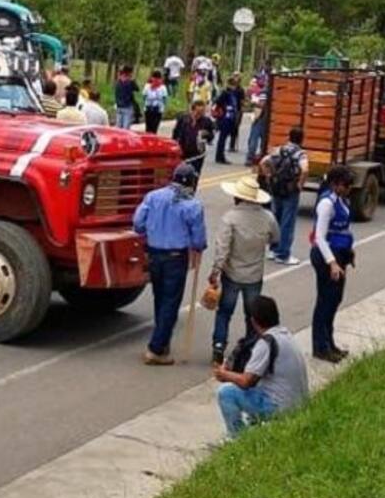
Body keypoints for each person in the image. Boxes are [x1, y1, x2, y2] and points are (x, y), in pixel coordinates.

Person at [132, 163, 208, 365]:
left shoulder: (153, 197)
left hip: (155, 255)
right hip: (175, 258)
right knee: (170, 303)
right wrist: (197, 248)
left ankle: (162, 341)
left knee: (160, 298)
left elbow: (138, 223)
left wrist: (152, 232)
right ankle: (156, 348)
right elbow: (199, 239)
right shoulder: (193, 205)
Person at [207, 174, 280, 365]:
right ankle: (249, 350)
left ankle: (218, 348)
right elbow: (276, 239)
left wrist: (215, 271)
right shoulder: (268, 218)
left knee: (224, 312)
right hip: (254, 274)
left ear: (237, 197)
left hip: (232, 273)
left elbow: (222, 248)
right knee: (252, 315)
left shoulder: (230, 218)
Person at [213, 295, 309, 438]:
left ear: (253, 321)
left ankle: (237, 438)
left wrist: (224, 374)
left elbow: (246, 381)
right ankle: (258, 426)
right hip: (300, 403)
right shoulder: (285, 335)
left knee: (226, 393)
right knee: (259, 387)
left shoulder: (266, 343)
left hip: (280, 407)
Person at [310, 167, 357, 362]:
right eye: (345, 185)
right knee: (325, 301)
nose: (348, 189)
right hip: (327, 257)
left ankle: (329, 342)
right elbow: (320, 237)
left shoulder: (341, 201)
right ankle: (321, 346)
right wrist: (332, 263)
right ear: (335, 184)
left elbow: (343, 229)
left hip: (340, 255)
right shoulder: (327, 204)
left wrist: (350, 250)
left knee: (335, 300)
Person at [261, 127, 309, 266]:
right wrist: (300, 184)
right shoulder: (300, 154)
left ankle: (272, 249)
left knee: (276, 218)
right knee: (288, 222)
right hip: (290, 190)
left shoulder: (279, 149)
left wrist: (269, 176)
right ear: (301, 139)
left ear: (289, 137)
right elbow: (305, 169)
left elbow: (263, 162)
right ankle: (283, 254)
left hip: (276, 188)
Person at [172, 101, 214, 182]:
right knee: (180, 176)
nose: (199, 115)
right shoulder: (183, 119)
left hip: (197, 155)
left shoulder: (206, 121)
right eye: (198, 112)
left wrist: (207, 135)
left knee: (194, 176)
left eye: (202, 113)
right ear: (192, 110)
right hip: (183, 153)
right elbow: (175, 133)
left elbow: (211, 137)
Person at [213, 76, 243, 164]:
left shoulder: (234, 93)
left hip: (231, 118)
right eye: (233, 84)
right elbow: (218, 102)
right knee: (222, 138)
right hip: (225, 118)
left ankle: (221, 156)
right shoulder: (225, 93)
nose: (234, 87)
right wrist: (223, 108)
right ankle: (219, 156)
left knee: (224, 137)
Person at [245, 75, 268, 166]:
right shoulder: (272, 91)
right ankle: (262, 156)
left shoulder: (263, 92)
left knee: (253, 139)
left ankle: (250, 158)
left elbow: (261, 105)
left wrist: (255, 103)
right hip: (268, 119)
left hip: (261, 118)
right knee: (264, 140)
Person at [142, 69, 169, 134]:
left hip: (158, 110)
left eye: (158, 78)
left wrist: (162, 106)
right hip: (148, 109)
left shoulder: (163, 88)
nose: (156, 80)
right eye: (154, 78)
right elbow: (144, 97)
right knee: (148, 128)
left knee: (154, 127)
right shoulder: (147, 86)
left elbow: (165, 99)